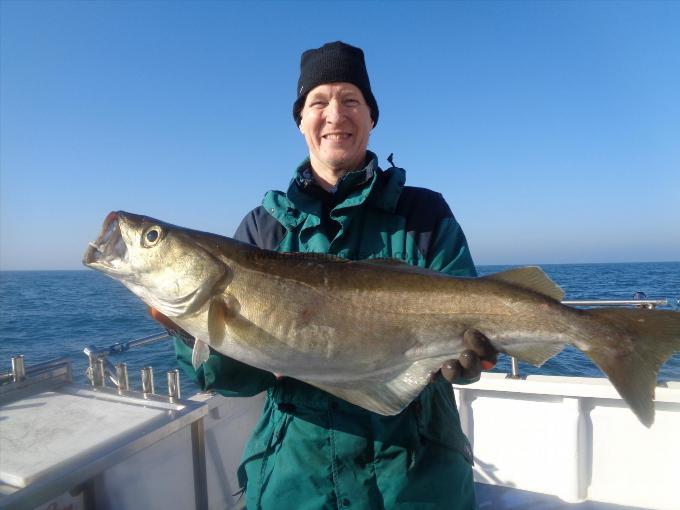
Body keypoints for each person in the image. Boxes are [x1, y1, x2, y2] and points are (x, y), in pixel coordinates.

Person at [156, 41, 497, 510]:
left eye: (351, 100)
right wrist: (188, 329)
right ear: (300, 121)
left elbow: (474, 327)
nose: (335, 114)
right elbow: (237, 379)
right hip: (297, 481)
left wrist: (468, 360)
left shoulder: (423, 213)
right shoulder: (262, 228)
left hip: (418, 483)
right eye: (318, 102)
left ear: (372, 119)